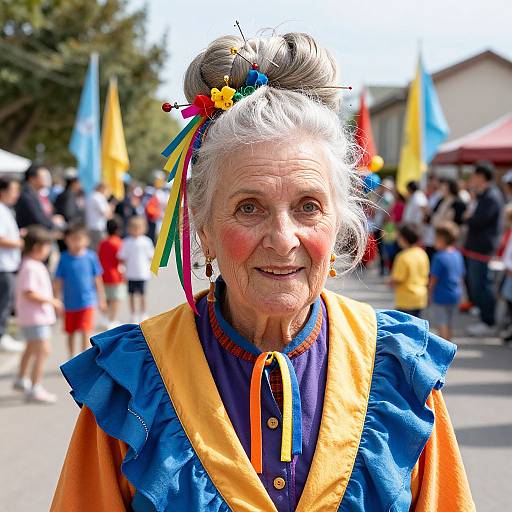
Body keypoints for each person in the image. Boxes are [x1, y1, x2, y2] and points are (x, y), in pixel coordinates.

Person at [52, 32, 473, 511]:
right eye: (249, 207)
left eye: (308, 206)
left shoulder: (398, 373)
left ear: (339, 226)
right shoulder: (133, 383)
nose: (283, 238)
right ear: (204, 228)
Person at [13, 226, 63, 403]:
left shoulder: (29, 264)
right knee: (43, 350)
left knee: (31, 347)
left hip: (32, 317)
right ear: (37, 247)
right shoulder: (31, 267)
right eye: (46, 247)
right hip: (36, 317)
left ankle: (21, 378)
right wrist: (52, 301)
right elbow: (29, 292)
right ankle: (35, 387)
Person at [463, 161, 504, 336]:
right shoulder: (484, 195)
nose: (472, 179)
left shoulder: (491, 196)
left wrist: (469, 216)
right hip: (477, 247)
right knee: (477, 284)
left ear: (481, 177)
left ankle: (489, 321)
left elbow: (477, 221)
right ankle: (485, 316)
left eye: (474, 175)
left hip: (483, 248)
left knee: (482, 285)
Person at [54, 223, 106, 357]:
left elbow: (97, 279)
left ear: (86, 240)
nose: (76, 242)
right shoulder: (64, 257)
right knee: (70, 332)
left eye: (80, 238)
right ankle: (71, 356)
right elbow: (59, 280)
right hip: (69, 303)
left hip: (87, 302)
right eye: (73, 239)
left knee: (85, 330)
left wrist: (101, 299)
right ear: (66, 240)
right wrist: (57, 299)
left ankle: (83, 356)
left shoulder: (91, 256)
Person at [0, 178, 25, 352]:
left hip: (7, 265)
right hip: (3, 266)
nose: (16, 194)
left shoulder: (5, 209)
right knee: (4, 303)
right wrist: (20, 243)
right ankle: (2, 336)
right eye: (13, 190)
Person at [429, 222, 465, 341]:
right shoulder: (457, 254)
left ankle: (445, 345)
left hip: (441, 295)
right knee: (450, 323)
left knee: (442, 322)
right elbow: (461, 276)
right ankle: (449, 343)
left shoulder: (439, 257)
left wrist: (429, 294)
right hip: (455, 294)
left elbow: (433, 279)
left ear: (442, 239)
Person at [389, 224, 430, 318]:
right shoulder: (422, 253)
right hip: (421, 297)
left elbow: (398, 279)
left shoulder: (402, 257)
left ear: (403, 239)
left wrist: (390, 281)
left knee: (405, 329)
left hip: (406, 300)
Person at [118, 216, 153, 323]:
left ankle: (143, 313)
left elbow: (151, 255)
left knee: (143, 294)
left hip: (142, 273)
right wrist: (122, 268)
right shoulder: (127, 242)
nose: (136, 230)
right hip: (131, 273)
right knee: (132, 295)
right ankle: (133, 314)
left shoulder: (146, 241)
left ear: (144, 229)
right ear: (129, 229)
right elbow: (122, 256)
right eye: (134, 228)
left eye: (139, 228)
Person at [98, 217, 125, 328]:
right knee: (115, 299)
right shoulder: (118, 243)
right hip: (115, 275)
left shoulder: (103, 243)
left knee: (107, 298)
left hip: (103, 274)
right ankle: (112, 320)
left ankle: (105, 318)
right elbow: (121, 259)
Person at [15, 164, 58, 230]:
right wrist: (53, 223)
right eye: (44, 177)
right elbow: (37, 219)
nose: (47, 179)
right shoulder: (26, 195)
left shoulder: (38, 193)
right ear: (32, 178)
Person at [85, 183, 111, 250]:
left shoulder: (90, 196)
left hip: (90, 226)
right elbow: (106, 213)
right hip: (98, 227)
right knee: (100, 249)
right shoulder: (99, 197)